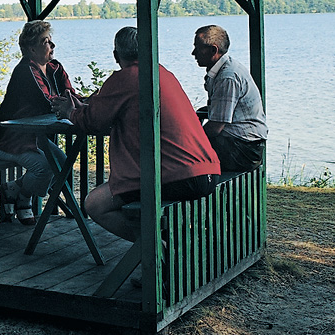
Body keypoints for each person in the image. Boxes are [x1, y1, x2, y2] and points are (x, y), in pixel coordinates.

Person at [54, 27, 220, 243]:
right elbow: (103, 107)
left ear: (116, 55)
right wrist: (83, 108)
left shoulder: (125, 78)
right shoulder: (162, 73)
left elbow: (93, 122)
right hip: (206, 171)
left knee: (95, 204)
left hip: (176, 176)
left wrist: (70, 112)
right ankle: (161, 247)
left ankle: (156, 251)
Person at [0, 20, 83, 225]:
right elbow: (49, 102)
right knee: (45, 169)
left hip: (32, 137)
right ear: (32, 48)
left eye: (51, 40)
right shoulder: (25, 71)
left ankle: (15, 189)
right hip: (5, 137)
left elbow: (71, 96)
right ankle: (24, 196)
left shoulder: (56, 68)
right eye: (46, 41)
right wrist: (75, 106)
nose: (52, 45)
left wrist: (87, 103)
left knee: (63, 164)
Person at [192, 24, 268, 172]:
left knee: (184, 153)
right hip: (243, 143)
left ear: (214, 50)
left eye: (198, 47)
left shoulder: (227, 77)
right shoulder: (225, 68)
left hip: (243, 149)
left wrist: (190, 139)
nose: (193, 53)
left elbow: (215, 127)